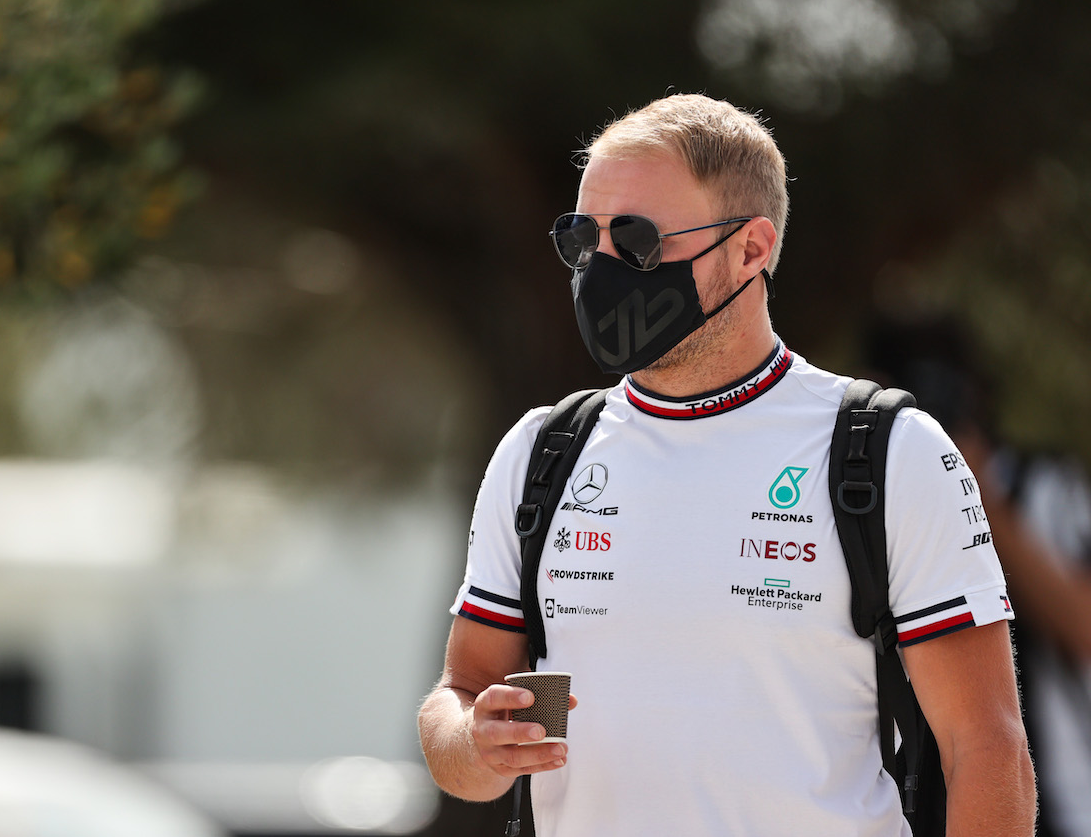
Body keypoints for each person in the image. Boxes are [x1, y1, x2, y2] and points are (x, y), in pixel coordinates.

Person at [417, 93, 1036, 836]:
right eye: (584, 237)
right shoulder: (542, 452)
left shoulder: (887, 448)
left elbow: (987, 746)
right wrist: (473, 741)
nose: (604, 267)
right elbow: (462, 694)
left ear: (751, 249)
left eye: (640, 240)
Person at [864, 314, 1091, 837]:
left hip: (1066, 808)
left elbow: (1085, 627)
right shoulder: (857, 498)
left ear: (978, 391)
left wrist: (972, 495)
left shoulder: (1049, 487)